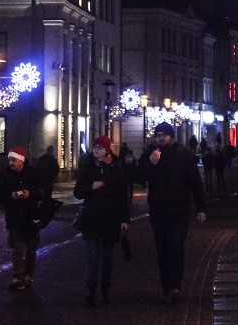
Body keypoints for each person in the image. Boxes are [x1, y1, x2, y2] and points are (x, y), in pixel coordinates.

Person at [137, 121, 207, 304]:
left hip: (179, 210)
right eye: (158, 135)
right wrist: (150, 164)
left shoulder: (183, 154)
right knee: (162, 250)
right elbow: (139, 177)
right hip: (158, 211)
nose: (161, 138)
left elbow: (195, 182)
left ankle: (175, 285)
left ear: (171, 136)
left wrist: (201, 208)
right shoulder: (151, 155)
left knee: (176, 248)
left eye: (164, 135)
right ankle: (166, 288)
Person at [74, 135, 130, 305]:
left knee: (107, 257)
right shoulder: (87, 167)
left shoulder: (116, 169)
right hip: (91, 218)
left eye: (100, 147)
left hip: (110, 219)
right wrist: (90, 188)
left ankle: (105, 290)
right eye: (95, 147)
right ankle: (91, 289)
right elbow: (78, 192)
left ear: (107, 151)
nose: (96, 150)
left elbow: (122, 197)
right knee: (92, 255)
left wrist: (124, 220)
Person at [0, 147, 44, 290]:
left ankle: (28, 275)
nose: (11, 163)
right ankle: (18, 276)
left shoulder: (33, 175)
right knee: (17, 250)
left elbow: (42, 193)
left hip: (31, 219)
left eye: (14, 160)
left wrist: (30, 194)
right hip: (14, 219)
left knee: (30, 250)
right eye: (10, 160)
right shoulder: (6, 175)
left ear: (22, 161)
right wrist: (10, 196)